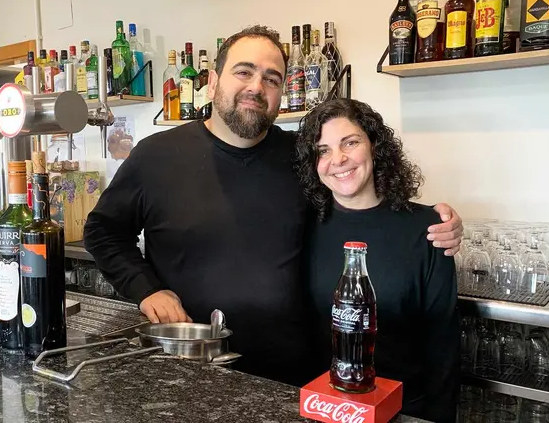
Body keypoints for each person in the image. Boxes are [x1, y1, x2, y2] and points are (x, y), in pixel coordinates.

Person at [84, 25, 463, 387]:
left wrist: (429, 221)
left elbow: (357, 205)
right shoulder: (156, 155)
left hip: (289, 377)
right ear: (212, 82)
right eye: (243, 72)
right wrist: (147, 289)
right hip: (187, 365)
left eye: (272, 78)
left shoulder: (301, 157)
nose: (256, 86)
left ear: (281, 93)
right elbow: (103, 231)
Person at [295, 99, 459, 422]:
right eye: (323, 150)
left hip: (405, 411)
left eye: (350, 143)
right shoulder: (302, 227)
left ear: (374, 146)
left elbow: (444, 348)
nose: (338, 159)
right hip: (323, 407)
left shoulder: (428, 229)